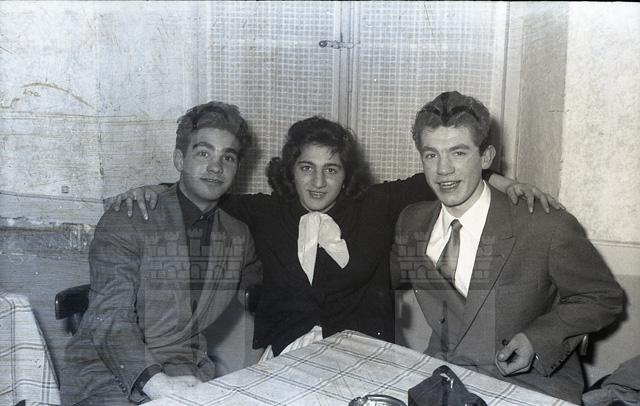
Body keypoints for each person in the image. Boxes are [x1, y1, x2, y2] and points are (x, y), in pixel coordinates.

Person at [108, 115, 561, 359]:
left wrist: (503, 182)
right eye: (307, 168)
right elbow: (204, 190)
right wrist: (153, 190)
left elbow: (443, 179)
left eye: (332, 169)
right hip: (287, 354)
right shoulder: (265, 212)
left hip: (366, 356)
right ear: (290, 171)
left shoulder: (375, 206)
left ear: (347, 175)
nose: (319, 182)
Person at [391, 91, 624, 403]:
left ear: (486, 157)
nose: (443, 170)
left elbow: (602, 297)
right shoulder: (412, 222)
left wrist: (537, 339)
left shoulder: (545, 225)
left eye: (458, 153)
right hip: (447, 377)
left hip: (531, 384)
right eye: (431, 155)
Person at [61, 102, 261, 405]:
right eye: (203, 153)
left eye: (228, 157)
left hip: (187, 370)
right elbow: (109, 317)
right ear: (180, 159)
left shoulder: (238, 234)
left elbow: (262, 289)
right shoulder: (129, 217)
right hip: (108, 374)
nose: (216, 167)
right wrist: (157, 384)